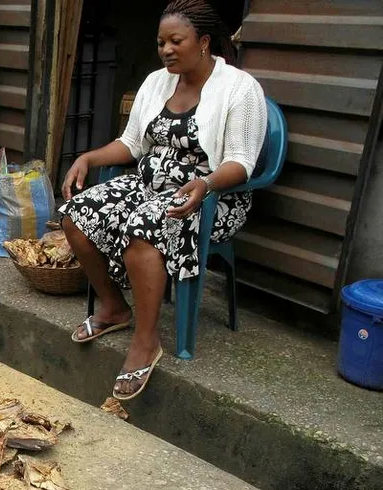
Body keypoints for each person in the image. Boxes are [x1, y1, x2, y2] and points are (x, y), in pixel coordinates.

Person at [59, 0, 266, 400]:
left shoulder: (240, 89)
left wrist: (205, 185)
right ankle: (114, 307)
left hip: (211, 197)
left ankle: (146, 341)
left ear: (204, 42)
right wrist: (87, 158)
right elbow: (132, 144)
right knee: (75, 215)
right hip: (149, 183)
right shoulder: (157, 82)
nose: (166, 50)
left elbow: (242, 162)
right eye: (161, 43)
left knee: (143, 227)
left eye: (176, 41)